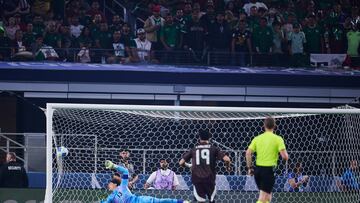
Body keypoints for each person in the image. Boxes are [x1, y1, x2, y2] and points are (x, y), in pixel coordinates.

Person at [179, 129, 231, 203]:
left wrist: (189, 166)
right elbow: (227, 159)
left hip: (197, 180)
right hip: (210, 179)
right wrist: (227, 167)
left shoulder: (194, 149)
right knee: (212, 200)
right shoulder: (213, 149)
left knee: (200, 201)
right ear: (209, 138)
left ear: (199, 138)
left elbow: (181, 163)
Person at [102, 160, 189, 203]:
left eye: (109, 184)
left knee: (159, 201)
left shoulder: (123, 186)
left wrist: (114, 166)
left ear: (114, 184)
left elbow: (125, 171)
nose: (108, 186)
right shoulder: (111, 197)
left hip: (140, 201)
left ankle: (180, 202)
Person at [246, 116, 289, 203]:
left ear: (264, 126)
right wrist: (281, 163)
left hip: (258, 170)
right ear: (274, 126)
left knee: (268, 197)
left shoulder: (257, 138)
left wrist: (250, 168)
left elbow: (248, 153)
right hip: (268, 171)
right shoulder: (278, 139)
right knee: (262, 198)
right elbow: (285, 157)